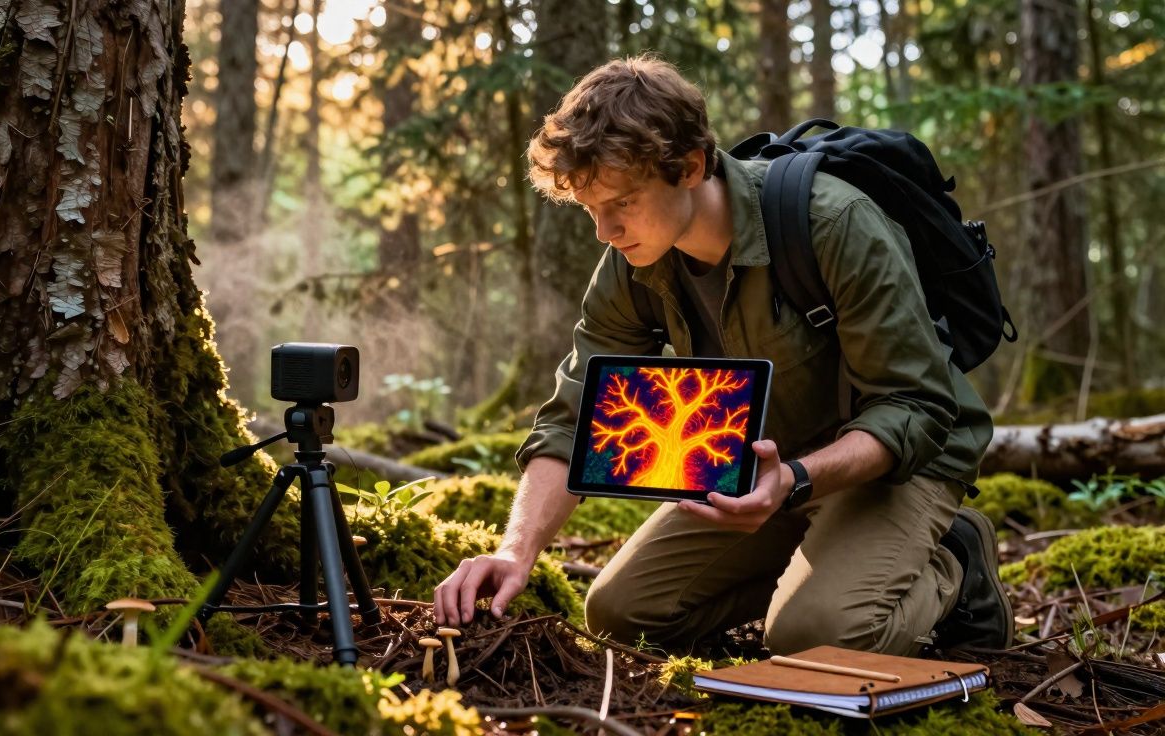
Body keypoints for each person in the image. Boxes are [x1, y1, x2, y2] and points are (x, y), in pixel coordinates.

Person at [432, 55, 1012, 656]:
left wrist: (794, 480)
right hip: (761, 472)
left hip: (895, 464)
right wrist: (515, 551)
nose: (603, 231)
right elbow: (575, 418)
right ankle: (822, 566)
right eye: (590, 210)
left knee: (815, 637)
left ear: (688, 167)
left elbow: (915, 406)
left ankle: (956, 568)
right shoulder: (633, 261)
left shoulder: (832, 222)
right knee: (620, 615)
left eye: (622, 203)